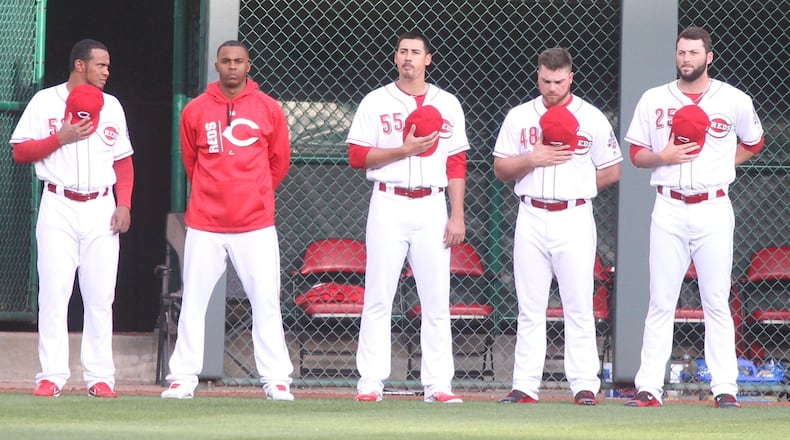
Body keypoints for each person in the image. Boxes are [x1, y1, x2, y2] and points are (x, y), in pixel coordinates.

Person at [624, 27, 764, 409]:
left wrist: (723, 165)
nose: (686, 59)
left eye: (693, 53)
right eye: (681, 52)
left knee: (716, 299)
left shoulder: (733, 99)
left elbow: (754, 141)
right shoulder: (655, 99)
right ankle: (649, 388)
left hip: (713, 206)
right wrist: (662, 158)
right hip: (668, 205)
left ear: (708, 57)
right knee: (661, 300)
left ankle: (725, 388)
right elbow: (636, 153)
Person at [160, 40, 294, 400]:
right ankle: (183, 377)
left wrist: (256, 192)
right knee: (194, 301)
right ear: (216, 65)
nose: (232, 66)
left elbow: (279, 161)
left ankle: (276, 379)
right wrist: (212, 191)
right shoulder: (195, 110)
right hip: (205, 222)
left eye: (239, 61)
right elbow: (192, 162)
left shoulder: (269, 108)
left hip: (255, 224)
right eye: (225, 61)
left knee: (266, 300)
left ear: (248, 66)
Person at [492, 47, 623, 406]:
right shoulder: (520, 116)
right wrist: (532, 160)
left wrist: (578, 187)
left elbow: (613, 168)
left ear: (570, 77)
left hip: (574, 215)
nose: (551, 87)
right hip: (531, 213)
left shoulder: (591, 117)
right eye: (546, 80)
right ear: (538, 76)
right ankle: (524, 385)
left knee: (578, 304)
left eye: (558, 80)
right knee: (529, 305)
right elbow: (501, 169)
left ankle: (584, 385)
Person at [346, 31, 470, 403]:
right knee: (378, 294)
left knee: (436, 298)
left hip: (432, 204)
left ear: (428, 59)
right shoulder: (375, 100)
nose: (408, 58)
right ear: (395, 57)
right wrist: (403, 151)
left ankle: (438, 384)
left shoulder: (447, 102)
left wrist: (457, 214)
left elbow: (456, 160)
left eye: (416, 52)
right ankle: (370, 381)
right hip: (389, 200)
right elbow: (356, 156)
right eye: (402, 52)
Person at [10, 39, 135, 398]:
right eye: (101, 65)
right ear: (79, 65)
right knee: (54, 293)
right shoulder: (45, 101)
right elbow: (20, 151)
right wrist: (58, 138)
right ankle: (51, 376)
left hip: (100, 206)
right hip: (58, 204)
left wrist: (123, 203)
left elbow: (123, 161)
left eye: (108, 66)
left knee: (99, 296)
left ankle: (99, 377)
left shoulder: (112, 106)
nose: (106, 72)